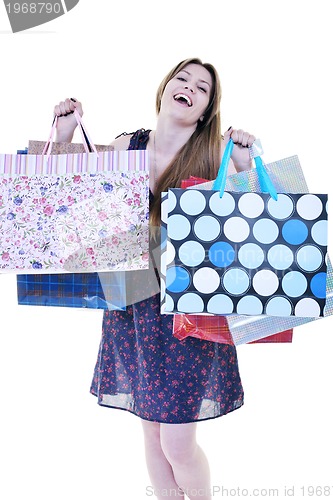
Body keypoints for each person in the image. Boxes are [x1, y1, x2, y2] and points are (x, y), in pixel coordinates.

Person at [54, 58, 256, 500]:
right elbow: (73, 197)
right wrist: (66, 133)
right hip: (132, 303)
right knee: (150, 433)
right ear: (165, 88)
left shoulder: (215, 152)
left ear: (206, 108)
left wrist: (244, 163)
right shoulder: (128, 144)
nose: (189, 87)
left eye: (201, 87)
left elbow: (257, 221)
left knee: (177, 442)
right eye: (182, 78)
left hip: (190, 313)